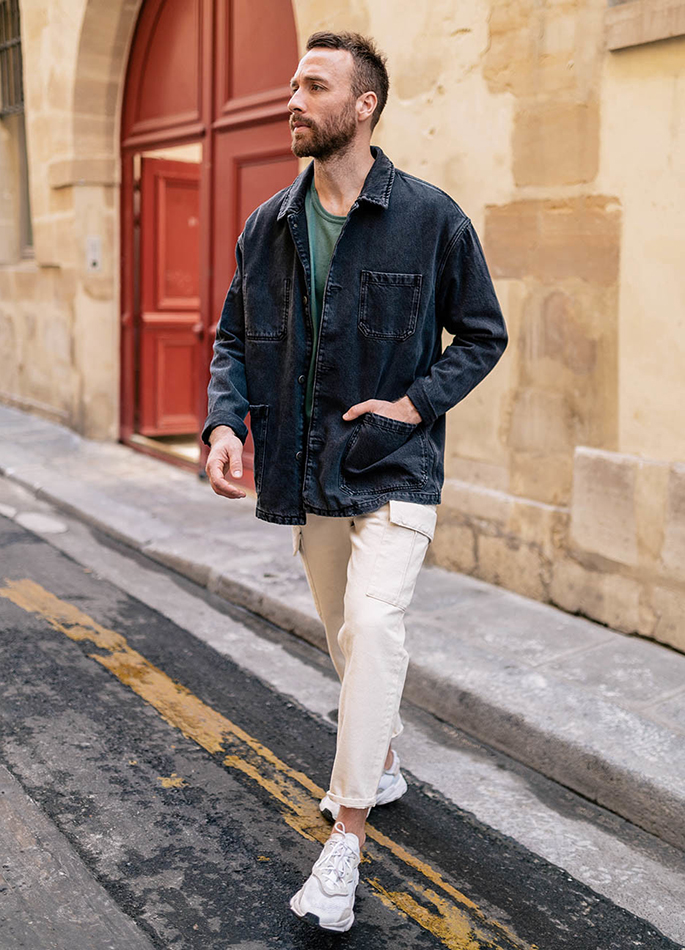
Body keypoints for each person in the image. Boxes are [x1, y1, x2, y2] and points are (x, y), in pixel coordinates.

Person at [203, 30, 507, 933]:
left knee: (373, 625)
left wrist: (415, 403)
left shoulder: (431, 218)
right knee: (347, 637)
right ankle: (382, 756)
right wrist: (222, 422)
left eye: (313, 86)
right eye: (293, 84)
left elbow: (482, 334)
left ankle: (344, 840)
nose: (291, 99)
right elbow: (232, 338)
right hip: (308, 471)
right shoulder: (268, 225)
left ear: (363, 105)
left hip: (395, 464)